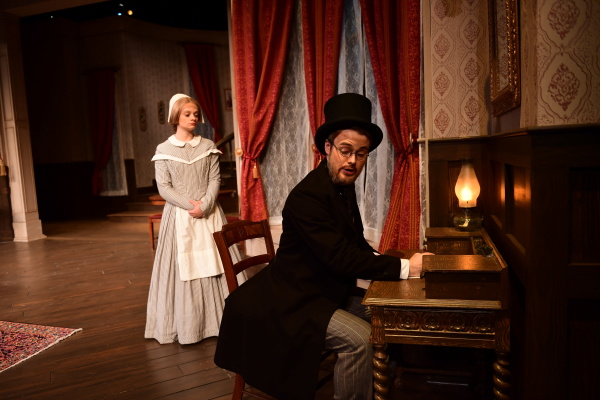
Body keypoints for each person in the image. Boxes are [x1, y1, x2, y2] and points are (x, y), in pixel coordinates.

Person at [214, 93, 431, 399]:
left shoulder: (341, 185)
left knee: (388, 314)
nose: (353, 161)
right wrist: (406, 267)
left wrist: (392, 263)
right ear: (327, 148)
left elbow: (355, 242)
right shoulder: (308, 197)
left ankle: (376, 386)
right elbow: (341, 259)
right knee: (360, 339)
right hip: (290, 300)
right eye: (345, 150)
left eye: (361, 154)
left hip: (323, 291)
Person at [145, 93, 240, 345]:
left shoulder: (207, 146)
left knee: (218, 264)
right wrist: (191, 206)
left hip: (210, 214)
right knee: (184, 269)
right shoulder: (164, 150)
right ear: (176, 116)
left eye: (195, 114)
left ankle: (223, 322)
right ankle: (190, 326)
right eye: (187, 114)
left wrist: (205, 205)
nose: (193, 118)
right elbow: (164, 188)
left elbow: (215, 179)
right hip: (180, 215)